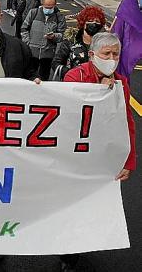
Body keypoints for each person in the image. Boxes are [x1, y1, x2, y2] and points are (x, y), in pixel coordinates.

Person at [60, 32, 135, 270]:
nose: (112, 58)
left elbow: (127, 122)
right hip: (75, 157)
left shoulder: (121, 82)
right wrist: (98, 91)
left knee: (91, 208)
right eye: (107, 54)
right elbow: (69, 114)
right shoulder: (75, 76)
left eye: (116, 54)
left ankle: (80, 246)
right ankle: (68, 254)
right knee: (70, 205)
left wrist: (129, 161)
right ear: (92, 55)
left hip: (101, 159)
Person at [51, 5, 105, 81]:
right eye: (90, 21)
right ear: (83, 23)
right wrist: (70, 73)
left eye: (97, 21)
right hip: (73, 84)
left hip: (95, 85)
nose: (94, 23)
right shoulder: (71, 41)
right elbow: (56, 62)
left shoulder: (104, 44)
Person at [21, 0, 66, 81]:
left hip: (48, 54)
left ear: (55, 4)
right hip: (32, 52)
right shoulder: (33, 13)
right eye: (46, 7)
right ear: (42, 3)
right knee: (29, 76)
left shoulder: (59, 17)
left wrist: (54, 36)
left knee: (44, 78)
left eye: (51, 7)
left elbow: (62, 35)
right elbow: (24, 28)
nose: (48, 9)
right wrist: (28, 43)